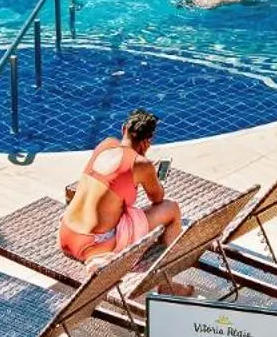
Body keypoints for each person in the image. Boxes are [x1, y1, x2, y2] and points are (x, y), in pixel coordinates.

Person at [58, 108, 187, 286]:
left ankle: (156, 267)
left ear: (123, 129)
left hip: (66, 236)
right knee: (171, 209)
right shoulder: (141, 164)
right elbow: (158, 198)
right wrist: (148, 171)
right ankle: (169, 286)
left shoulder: (105, 145)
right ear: (147, 142)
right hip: (92, 247)